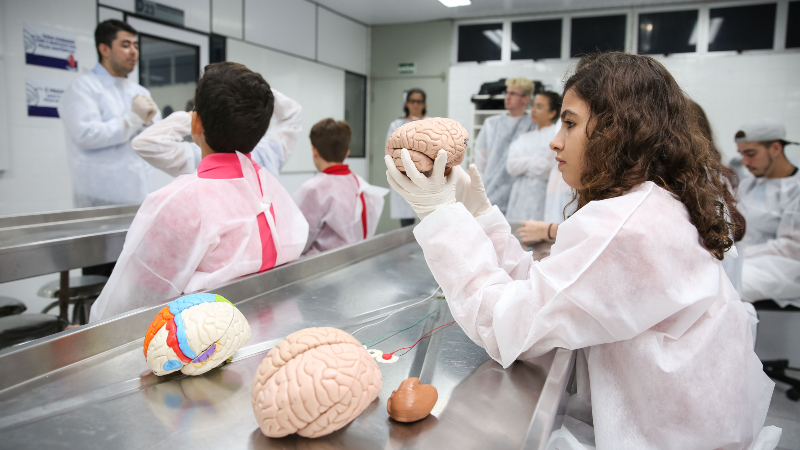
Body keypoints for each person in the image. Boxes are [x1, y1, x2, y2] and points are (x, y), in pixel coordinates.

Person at [386, 52, 780, 449]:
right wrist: (480, 216)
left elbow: (506, 327)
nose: (555, 141)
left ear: (618, 130)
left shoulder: (626, 227)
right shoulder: (650, 204)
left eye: (570, 123)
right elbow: (549, 290)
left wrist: (441, 218)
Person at [90, 62, 308, 322]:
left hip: (203, 347)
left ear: (195, 122)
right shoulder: (278, 194)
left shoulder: (177, 202)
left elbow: (129, 302)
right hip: (272, 330)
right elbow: (293, 114)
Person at [58, 20, 160, 208]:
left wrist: (153, 124)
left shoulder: (140, 92)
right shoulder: (83, 88)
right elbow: (86, 135)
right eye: (125, 45)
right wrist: (134, 119)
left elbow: (156, 138)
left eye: (135, 46)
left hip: (140, 194)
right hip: (100, 197)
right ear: (104, 49)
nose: (133, 51)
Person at [133, 88, 301, 179]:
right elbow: (292, 114)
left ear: (197, 122)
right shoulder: (267, 153)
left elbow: (144, 144)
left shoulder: (197, 159)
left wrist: (191, 118)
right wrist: (255, 90)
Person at [294, 119, 388, 256]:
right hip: (356, 262)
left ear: (314, 150)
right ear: (347, 153)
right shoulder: (360, 184)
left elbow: (299, 240)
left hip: (320, 269)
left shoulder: (314, 189)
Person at [735, 118, 800, 308]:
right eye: (742, 154)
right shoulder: (749, 185)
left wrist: (741, 254)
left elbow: (793, 248)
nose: (745, 162)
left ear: (776, 149)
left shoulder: (796, 189)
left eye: (751, 154)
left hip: (784, 268)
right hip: (748, 262)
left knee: (728, 285)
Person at [473, 78, 536, 214]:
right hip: (491, 187)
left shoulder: (533, 124)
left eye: (513, 94)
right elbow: (480, 158)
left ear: (525, 98)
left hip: (520, 191)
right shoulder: (492, 123)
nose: (507, 97)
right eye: (506, 93)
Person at [505, 91, 562, 222]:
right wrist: (535, 161)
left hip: (542, 194)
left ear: (552, 113)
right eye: (534, 106)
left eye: (539, 107)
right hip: (519, 197)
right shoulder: (524, 137)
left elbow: (546, 168)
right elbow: (511, 166)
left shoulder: (555, 135)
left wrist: (523, 163)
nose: (533, 110)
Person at [386, 88, 427, 227]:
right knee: (407, 226)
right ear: (407, 103)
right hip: (404, 178)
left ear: (424, 104)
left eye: (419, 101)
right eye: (412, 101)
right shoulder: (396, 125)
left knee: (428, 224)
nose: (416, 105)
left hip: (426, 179)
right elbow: (390, 151)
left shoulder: (431, 124)